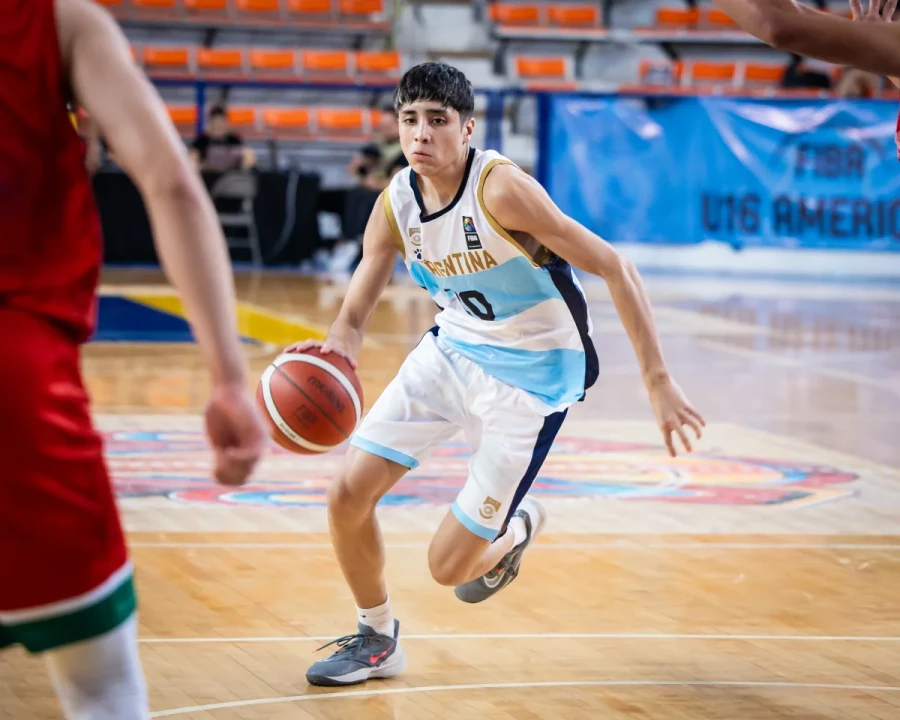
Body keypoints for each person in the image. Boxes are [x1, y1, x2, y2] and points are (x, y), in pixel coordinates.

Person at [286, 62, 705, 687]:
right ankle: (376, 638)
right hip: (453, 349)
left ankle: (517, 526)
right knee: (347, 495)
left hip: (533, 380)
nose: (421, 135)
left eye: (437, 121)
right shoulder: (395, 204)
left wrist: (658, 381)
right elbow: (352, 315)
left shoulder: (502, 190)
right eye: (408, 121)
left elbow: (616, 268)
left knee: (447, 568)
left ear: (468, 127)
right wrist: (333, 356)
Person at [0, 1, 268, 718]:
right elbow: (172, 183)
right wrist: (229, 379)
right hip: (15, 384)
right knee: (102, 689)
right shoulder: (59, 22)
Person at [189, 105, 256, 173]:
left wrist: (240, 167)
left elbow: (249, 158)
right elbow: (191, 160)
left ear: (226, 123)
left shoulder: (234, 140)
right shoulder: (201, 141)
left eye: (221, 123)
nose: (218, 126)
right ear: (210, 124)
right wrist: (203, 167)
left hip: (231, 177)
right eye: (215, 123)